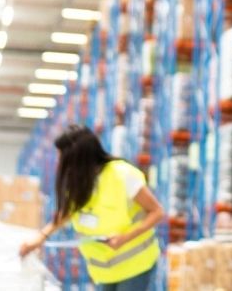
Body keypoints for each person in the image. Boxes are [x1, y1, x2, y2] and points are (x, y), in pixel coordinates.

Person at [20, 124, 164, 291]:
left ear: (79, 158)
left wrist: (125, 237)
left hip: (135, 265)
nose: (59, 163)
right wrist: (41, 237)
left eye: (62, 158)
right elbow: (67, 213)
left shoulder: (122, 174)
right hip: (104, 270)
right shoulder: (79, 181)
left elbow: (157, 212)